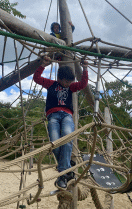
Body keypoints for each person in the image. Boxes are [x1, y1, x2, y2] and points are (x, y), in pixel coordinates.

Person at [33, 56, 88, 190]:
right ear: (59, 79)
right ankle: (67, 168)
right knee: (55, 144)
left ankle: (62, 174)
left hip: (67, 115)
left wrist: (85, 68)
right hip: (53, 115)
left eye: (70, 82)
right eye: (66, 82)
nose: (68, 84)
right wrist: (43, 65)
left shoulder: (71, 87)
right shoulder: (51, 84)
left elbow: (82, 84)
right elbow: (36, 78)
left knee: (68, 137)